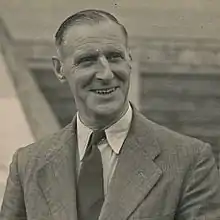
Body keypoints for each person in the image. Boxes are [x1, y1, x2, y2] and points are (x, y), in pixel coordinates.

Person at [1, 9, 220, 220]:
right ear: (59, 69)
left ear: (129, 60)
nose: (106, 74)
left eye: (115, 57)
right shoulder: (28, 164)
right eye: (87, 60)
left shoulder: (189, 161)